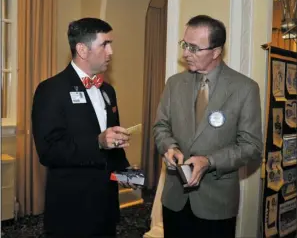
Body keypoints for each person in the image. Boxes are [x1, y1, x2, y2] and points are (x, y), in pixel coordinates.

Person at [153, 15, 263, 238]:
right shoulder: (174, 84)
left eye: (194, 48)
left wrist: (210, 161)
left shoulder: (245, 88)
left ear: (216, 51)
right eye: (185, 45)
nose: (185, 53)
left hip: (216, 204)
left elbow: (251, 146)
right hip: (175, 200)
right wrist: (169, 147)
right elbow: (161, 127)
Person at [32, 18, 133, 238]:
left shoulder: (108, 90)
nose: (111, 51)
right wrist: (98, 141)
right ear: (82, 49)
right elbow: (49, 151)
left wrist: (133, 178)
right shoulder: (51, 90)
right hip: (72, 212)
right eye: (105, 44)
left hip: (105, 210)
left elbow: (112, 149)